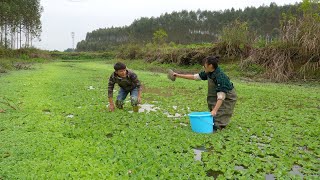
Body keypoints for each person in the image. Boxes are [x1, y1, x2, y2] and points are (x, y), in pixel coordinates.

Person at [171, 56, 237, 130]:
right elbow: (195, 77)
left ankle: (219, 127)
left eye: (205, 65)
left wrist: (215, 110)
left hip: (228, 96)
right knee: (213, 113)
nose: (203, 66)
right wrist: (178, 75)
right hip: (217, 95)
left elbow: (221, 96)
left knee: (219, 118)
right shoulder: (209, 72)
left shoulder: (220, 77)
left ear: (210, 66)